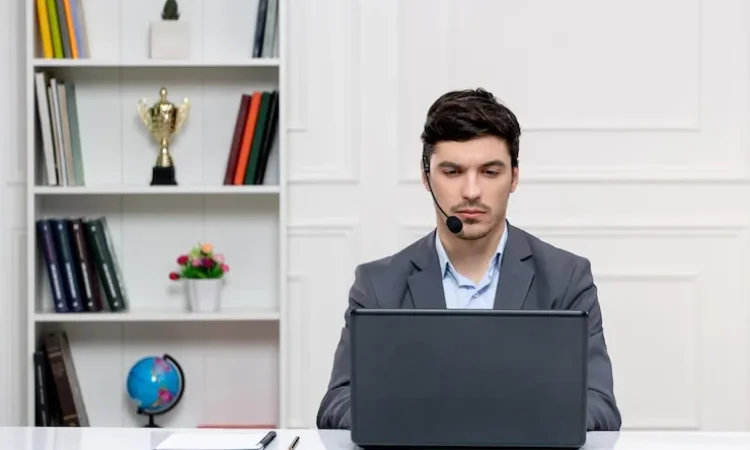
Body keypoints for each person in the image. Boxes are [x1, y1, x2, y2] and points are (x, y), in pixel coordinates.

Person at [315, 88, 622, 432]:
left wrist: (497, 425)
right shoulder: (377, 285)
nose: (471, 191)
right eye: (453, 171)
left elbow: (599, 406)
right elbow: (338, 402)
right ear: (426, 177)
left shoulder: (567, 278)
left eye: (490, 172)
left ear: (514, 177)